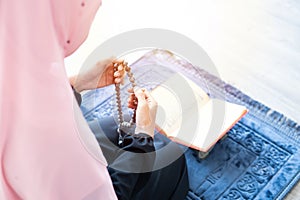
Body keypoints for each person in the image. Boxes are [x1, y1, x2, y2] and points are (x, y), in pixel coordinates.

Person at [70, 61, 189, 200]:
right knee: (171, 154)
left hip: (66, 154)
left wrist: (78, 83)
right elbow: (112, 194)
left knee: (122, 127)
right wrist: (143, 134)